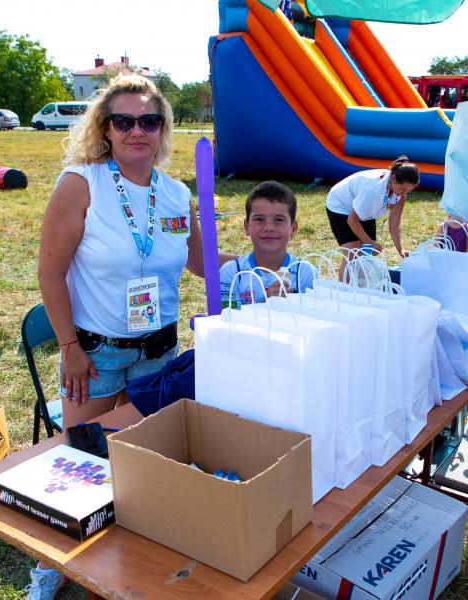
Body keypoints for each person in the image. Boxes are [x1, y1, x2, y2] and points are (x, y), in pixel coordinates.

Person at [34, 75, 233, 598]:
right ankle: (51, 565)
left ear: (163, 128)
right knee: (81, 463)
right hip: (95, 354)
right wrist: (69, 348)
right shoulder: (81, 184)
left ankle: (123, 556)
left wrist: (260, 260)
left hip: (159, 351)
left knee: (143, 465)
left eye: (148, 120)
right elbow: (50, 273)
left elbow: (198, 262)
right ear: (105, 128)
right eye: (123, 121)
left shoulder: (175, 193)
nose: (136, 131)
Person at [219, 181, 314, 306]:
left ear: (293, 228)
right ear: (247, 227)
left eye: (279, 220)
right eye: (259, 219)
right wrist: (266, 304)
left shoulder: (304, 272)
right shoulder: (232, 273)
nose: (269, 227)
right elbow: (229, 316)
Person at [325, 156, 419, 266]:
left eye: (408, 191)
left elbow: (395, 225)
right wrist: (370, 242)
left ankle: (362, 276)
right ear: (393, 178)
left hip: (363, 207)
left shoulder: (400, 194)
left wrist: (400, 249)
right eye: (402, 189)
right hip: (341, 205)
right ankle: (347, 277)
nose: (404, 193)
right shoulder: (373, 190)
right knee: (352, 252)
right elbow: (352, 220)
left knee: (368, 252)